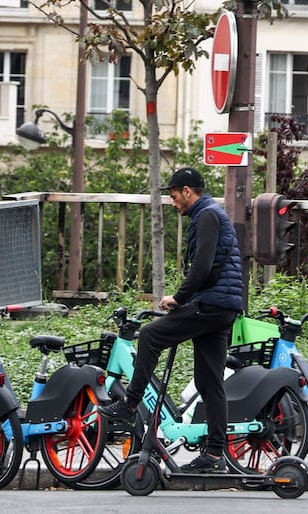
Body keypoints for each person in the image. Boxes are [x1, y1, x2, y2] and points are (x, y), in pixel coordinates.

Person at [99, 167, 243, 473]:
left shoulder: (206, 216)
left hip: (212, 304)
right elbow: (212, 266)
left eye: (174, 195)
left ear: (188, 191)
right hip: (222, 307)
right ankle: (215, 454)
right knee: (209, 381)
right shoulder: (211, 215)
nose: (173, 202)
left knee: (151, 335)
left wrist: (179, 298)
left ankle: (130, 404)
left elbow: (203, 266)